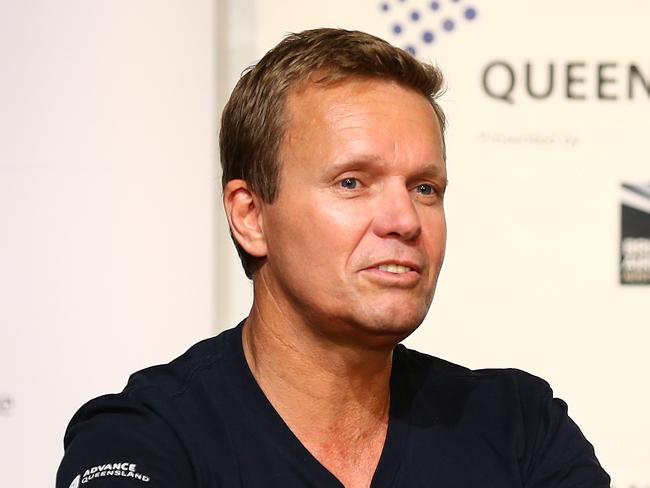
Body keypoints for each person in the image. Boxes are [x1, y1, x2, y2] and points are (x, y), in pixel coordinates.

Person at [57, 28, 610, 488]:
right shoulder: (144, 438)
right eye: (352, 182)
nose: (405, 220)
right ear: (250, 215)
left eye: (425, 188)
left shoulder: (519, 427)